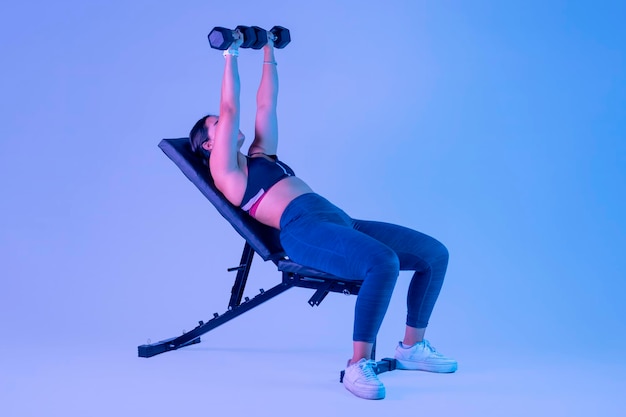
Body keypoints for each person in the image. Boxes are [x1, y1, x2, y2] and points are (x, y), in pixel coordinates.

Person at [188, 30, 457, 400]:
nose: (227, 122)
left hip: (337, 219)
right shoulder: (227, 175)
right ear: (208, 144)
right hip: (302, 229)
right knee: (382, 262)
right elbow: (233, 109)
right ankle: (356, 365)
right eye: (217, 124)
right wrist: (230, 54)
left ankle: (411, 348)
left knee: (433, 254)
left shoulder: (259, 156)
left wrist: (268, 51)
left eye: (223, 120)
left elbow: (267, 105)